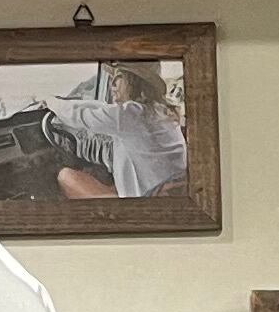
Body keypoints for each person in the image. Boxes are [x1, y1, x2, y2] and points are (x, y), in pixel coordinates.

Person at [47, 62, 188, 207]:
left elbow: (79, 115)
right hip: (169, 194)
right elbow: (103, 108)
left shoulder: (131, 114)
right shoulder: (159, 111)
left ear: (134, 82)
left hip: (146, 203)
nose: (112, 84)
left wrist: (50, 101)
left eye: (118, 77)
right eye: (111, 78)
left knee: (66, 176)